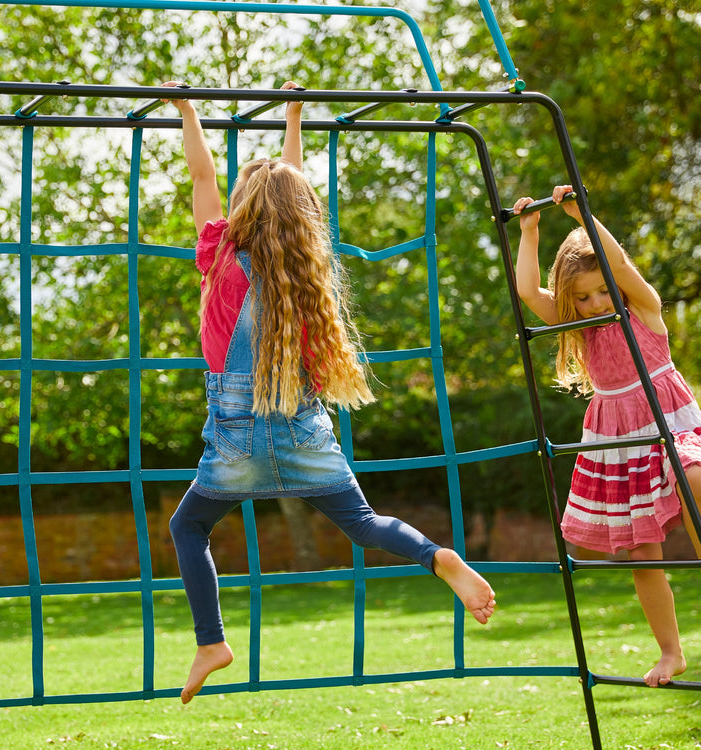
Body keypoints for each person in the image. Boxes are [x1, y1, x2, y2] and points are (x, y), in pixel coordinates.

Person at [161, 80, 496, 704]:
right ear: (302, 215)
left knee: (189, 529)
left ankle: (211, 640)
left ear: (241, 213)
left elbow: (201, 173)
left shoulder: (222, 252)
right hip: (302, 431)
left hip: (236, 437)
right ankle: (437, 557)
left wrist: (188, 111)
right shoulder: (305, 264)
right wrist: (294, 114)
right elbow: (293, 183)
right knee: (366, 526)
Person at [512, 185, 701, 688]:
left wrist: (584, 217)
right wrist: (530, 232)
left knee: (693, 473)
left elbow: (622, 268)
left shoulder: (643, 310)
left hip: (669, 420)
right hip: (618, 437)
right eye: (583, 297)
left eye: (600, 292)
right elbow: (529, 294)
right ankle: (670, 652)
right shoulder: (582, 326)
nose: (594, 303)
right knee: (640, 552)